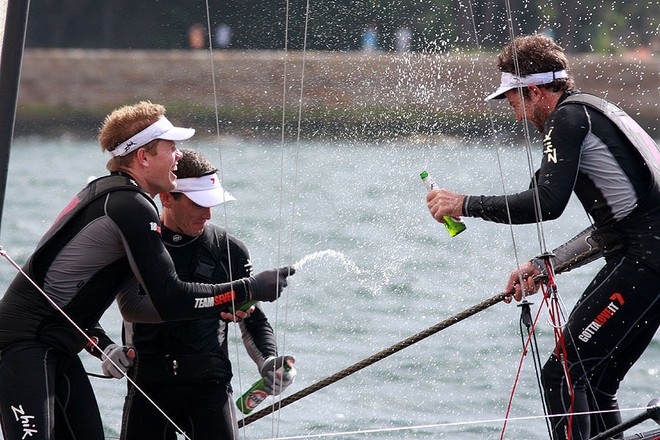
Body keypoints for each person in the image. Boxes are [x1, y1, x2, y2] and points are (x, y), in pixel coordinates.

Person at [0, 101, 294, 440]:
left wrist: (226, 305)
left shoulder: (122, 197)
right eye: (171, 148)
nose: (179, 157)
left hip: (58, 347)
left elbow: (135, 307)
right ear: (143, 156)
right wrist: (248, 288)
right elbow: (169, 298)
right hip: (26, 343)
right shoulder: (131, 206)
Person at [426, 34, 660, 440]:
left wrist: (465, 204)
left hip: (646, 260)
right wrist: (546, 262)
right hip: (643, 255)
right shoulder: (590, 110)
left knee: (563, 373)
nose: (517, 115)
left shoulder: (566, 120)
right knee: (595, 378)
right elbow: (623, 223)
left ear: (534, 91)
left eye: (515, 101)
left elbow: (546, 203)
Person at [89, 149, 297, 439]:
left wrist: (269, 361)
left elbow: (252, 318)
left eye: (213, 204)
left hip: (210, 385)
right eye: (199, 204)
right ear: (166, 198)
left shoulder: (230, 249)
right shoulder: (135, 243)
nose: (208, 214)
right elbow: (78, 310)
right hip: (148, 385)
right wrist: (107, 349)